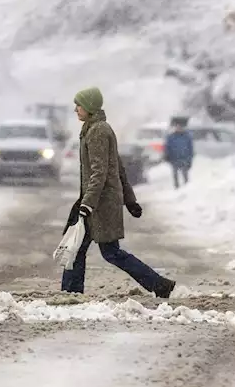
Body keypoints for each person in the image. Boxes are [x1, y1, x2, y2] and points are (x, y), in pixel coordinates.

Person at [60, 86, 175, 299]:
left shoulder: (98, 131)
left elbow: (100, 171)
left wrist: (87, 204)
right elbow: (118, 167)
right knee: (79, 248)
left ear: (90, 107)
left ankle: (159, 284)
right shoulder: (93, 128)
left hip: (100, 204)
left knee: (108, 252)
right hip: (96, 201)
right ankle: (71, 292)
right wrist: (130, 200)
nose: (76, 109)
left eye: (79, 105)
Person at [164, 119, 194, 189]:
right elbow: (167, 147)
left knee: (185, 173)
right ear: (175, 127)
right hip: (174, 158)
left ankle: (187, 187)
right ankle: (176, 187)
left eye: (180, 127)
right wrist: (167, 155)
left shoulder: (187, 136)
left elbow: (190, 148)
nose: (179, 128)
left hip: (184, 158)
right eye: (177, 127)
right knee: (175, 174)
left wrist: (190, 158)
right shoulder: (171, 137)